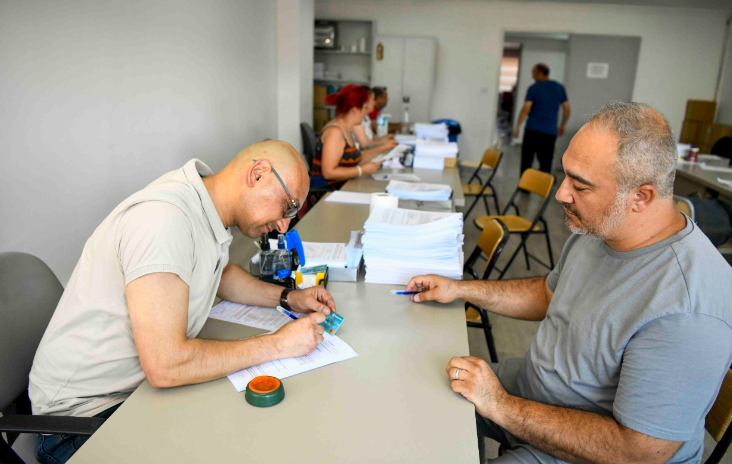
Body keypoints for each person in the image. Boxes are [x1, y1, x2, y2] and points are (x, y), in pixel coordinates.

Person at [408, 102, 732, 464]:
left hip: (589, 446)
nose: (561, 194)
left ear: (641, 197)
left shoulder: (687, 308)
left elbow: (639, 452)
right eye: (565, 176)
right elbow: (549, 293)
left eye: (580, 185)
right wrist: (461, 288)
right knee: (413, 386)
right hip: (531, 391)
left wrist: (501, 406)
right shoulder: (602, 227)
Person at [29, 141, 337, 463]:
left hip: (135, 393)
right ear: (258, 174)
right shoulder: (163, 221)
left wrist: (288, 297)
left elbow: (222, 272)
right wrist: (278, 344)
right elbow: (166, 365)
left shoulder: (204, 204)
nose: (284, 224)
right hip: (82, 420)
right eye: (288, 208)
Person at [311, 85, 395, 187]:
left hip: (342, 187)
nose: (366, 112)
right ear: (355, 109)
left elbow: (356, 158)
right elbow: (329, 172)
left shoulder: (346, 129)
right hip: (327, 193)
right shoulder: (335, 132)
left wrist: (383, 149)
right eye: (365, 107)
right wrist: (362, 170)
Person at [513, 64, 570, 175]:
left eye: (533, 73)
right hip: (550, 132)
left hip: (532, 130)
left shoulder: (533, 88)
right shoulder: (559, 88)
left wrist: (517, 126)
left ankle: (524, 187)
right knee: (546, 161)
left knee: (527, 160)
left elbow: (525, 109)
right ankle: (544, 188)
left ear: (540, 73)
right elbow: (567, 109)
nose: (532, 76)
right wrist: (563, 124)